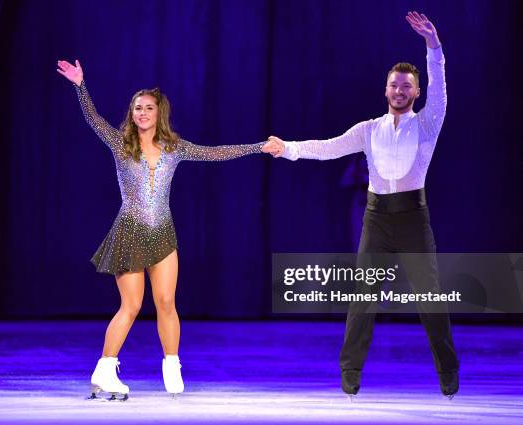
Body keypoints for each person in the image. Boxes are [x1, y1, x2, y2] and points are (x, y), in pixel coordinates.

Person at [262, 12, 459, 398]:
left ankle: (448, 371)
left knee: (430, 300)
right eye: (394, 85)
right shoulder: (369, 129)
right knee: (363, 300)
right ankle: (350, 371)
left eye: (406, 86)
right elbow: (329, 147)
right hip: (376, 219)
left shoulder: (428, 122)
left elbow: (440, 85)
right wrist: (288, 149)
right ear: (385, 90)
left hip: (413, 219)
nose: (399, 91)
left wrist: (433, 45)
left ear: (415, 93)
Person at [57, 60, 264, 400]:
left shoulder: (174, 148)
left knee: (167, 301)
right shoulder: (120, 143)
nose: (141, 112)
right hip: (129, 232)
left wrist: (257, 147)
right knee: (131, 305)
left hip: (163, 234)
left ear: (159, 113)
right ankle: (105, 369)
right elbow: (93, 119)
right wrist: (81, 85)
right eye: (137, 107)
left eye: (148, 108)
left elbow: (215, 153)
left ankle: (171, 363)